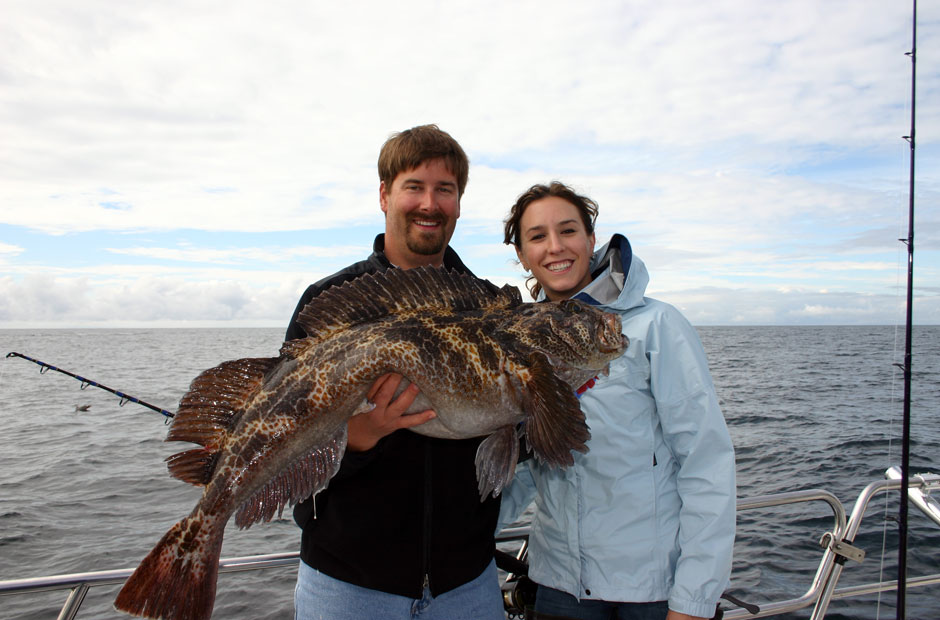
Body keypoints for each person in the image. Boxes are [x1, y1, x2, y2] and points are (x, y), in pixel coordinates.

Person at [286, 124, 505, 620]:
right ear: (384, 195)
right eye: (415, 186)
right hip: (345, 588)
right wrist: (355, 439)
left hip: (467, 586)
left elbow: (519, 447)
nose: (430, 204)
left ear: (458, 203)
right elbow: (287, 441)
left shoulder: (490, 309)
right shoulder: (328, 305)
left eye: (445, 190)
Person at [499, 182, 736, 620]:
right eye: (537, 236)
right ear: (522, 256)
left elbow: (706, 464)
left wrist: (694, 600)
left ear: (591, 240)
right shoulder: (517, 342)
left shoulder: (657, 326)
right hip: (558, 586)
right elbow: (530, 466)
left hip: (652, 591)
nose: (555, 247)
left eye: (568, 231)